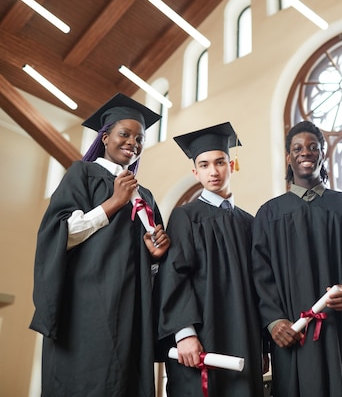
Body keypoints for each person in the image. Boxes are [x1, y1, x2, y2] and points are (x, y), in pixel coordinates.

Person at [30, 93, 170, 397]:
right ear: (105, 137)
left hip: (132, 308)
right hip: (87, 304)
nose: (133, 142)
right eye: (124, 134)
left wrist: (157, 254)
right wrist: (113, 203)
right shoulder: (82, 173)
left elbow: (151, 259)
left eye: (140, 137)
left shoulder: (144, 194)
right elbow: (58, 233)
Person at [251, 121, 342, 397]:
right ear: (289, 157)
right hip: (292, 331)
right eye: (298, 148)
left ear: (322, 154)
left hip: (341, 327)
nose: (306, 152)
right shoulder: (269, 214)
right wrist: (274, 321)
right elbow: (259, 275)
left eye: (313, 147)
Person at [154, 122, 265, 397]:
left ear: (232, 165)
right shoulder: (185, 217)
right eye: (204, 165)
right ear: (195, 172)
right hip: (203, 337)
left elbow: (259, 286)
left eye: (219, 162)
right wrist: (184, 333)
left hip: (244, 336)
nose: (213, 171)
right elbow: (174, 276)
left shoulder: (249, 223)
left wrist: (262, 346)